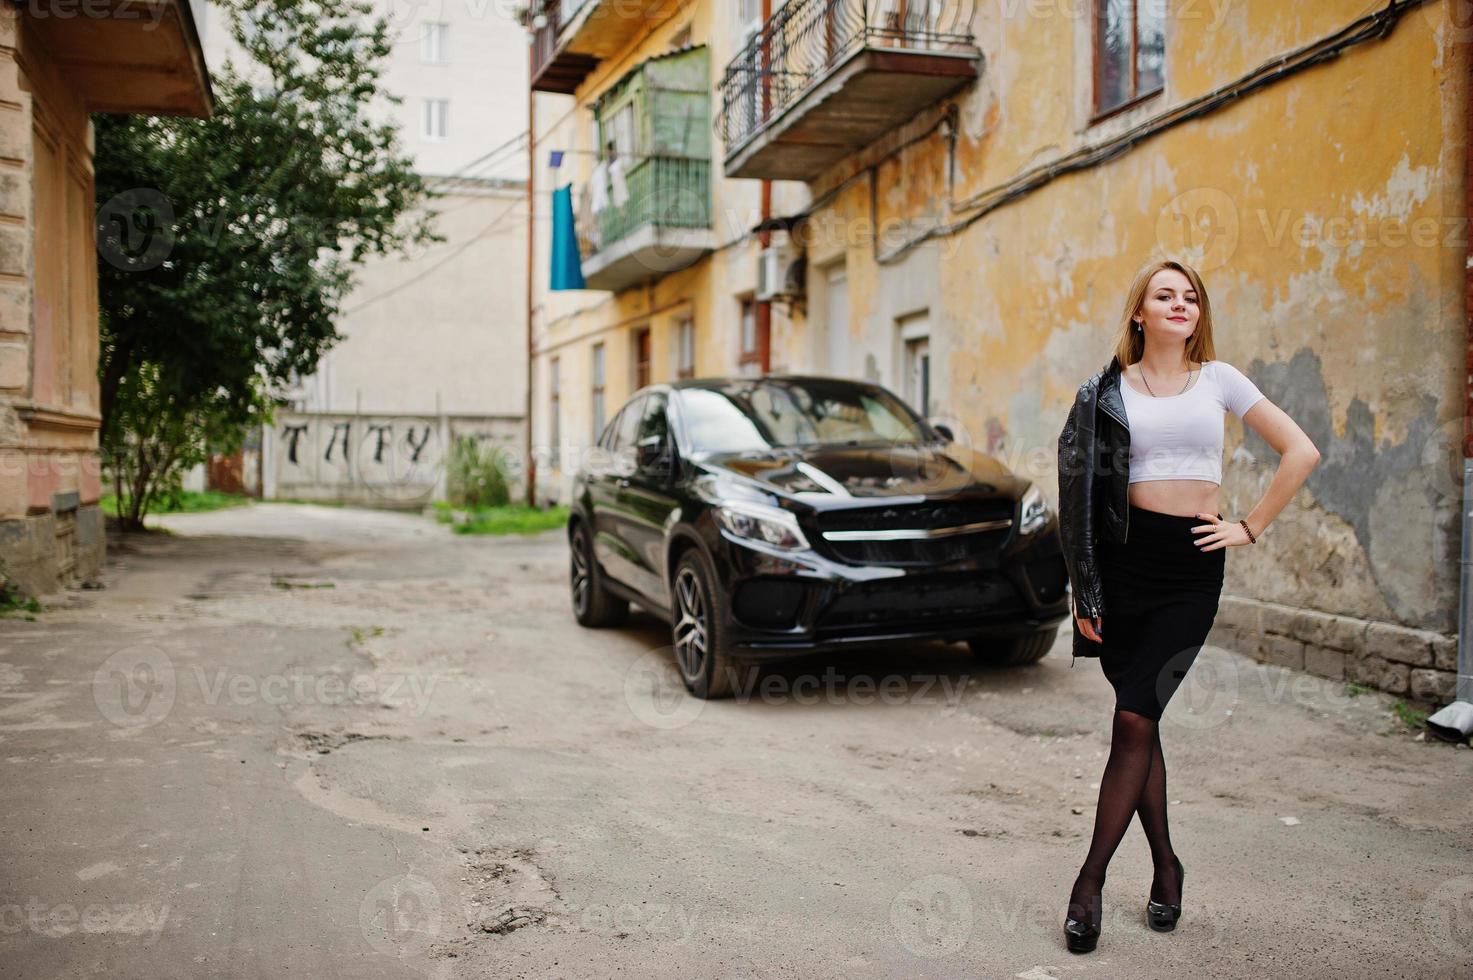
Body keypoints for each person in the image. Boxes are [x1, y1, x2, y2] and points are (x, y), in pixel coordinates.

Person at [1056, 259, 1322, 954]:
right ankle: (1167, 868)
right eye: (1164, 295)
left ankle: (1088, 884)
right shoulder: (1104, 391)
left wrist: (1249, 524)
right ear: (1138, 314)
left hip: (1189, 569)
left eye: (1190, 297)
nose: (1181, 305)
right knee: (1141, 724)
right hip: (1120, 565)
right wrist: (1083, 589)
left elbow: (1300, 450)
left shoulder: (1220, 380)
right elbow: (1075, 492)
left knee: (1133, 713)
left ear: (1198, 314)